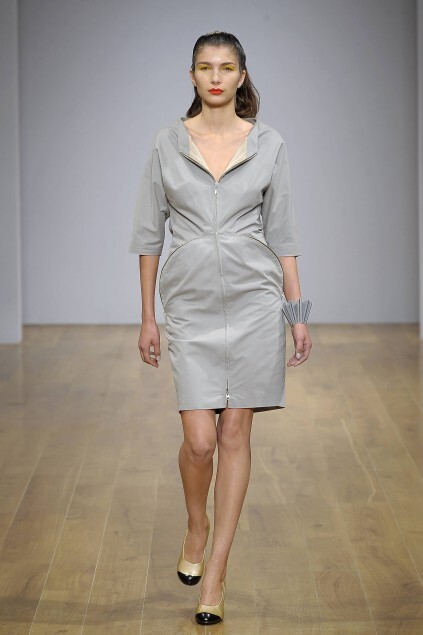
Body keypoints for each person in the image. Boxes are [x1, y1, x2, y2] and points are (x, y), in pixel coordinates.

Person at [128, 30, 312, 625]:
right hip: (190, 303)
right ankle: (196, 525)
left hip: (256, 300)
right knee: (200, 441)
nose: (215, 77)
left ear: (241, 75)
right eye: (205, 67)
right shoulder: (167, 143)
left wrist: (297, 316)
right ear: (192, 76)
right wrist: (148, 317)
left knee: (235, 433)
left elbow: (284, 236)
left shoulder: (268, 143)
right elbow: (148, 235)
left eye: (226, 67)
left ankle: (217, 572)